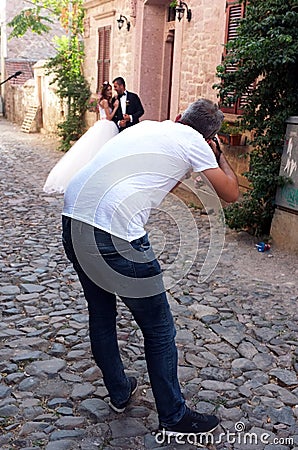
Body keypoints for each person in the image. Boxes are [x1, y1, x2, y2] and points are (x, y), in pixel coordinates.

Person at [61, 99, 239, 437]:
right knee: (159, 329)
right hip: (114, 231)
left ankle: (119, 391)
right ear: (207, 137)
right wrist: (217, 155)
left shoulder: (148, 127)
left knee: (101, 314)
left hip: (73, 216)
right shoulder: (194, 143)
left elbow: (159, 185)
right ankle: (173, 417)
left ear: (177, 117)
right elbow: (230, 192)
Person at [43, 82, 119, 194]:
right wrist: (116, 108)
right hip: (107, 125)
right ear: (104, 91)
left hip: (101, 125)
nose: (110, 91)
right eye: (108, 90)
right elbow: (108, 117)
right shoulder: (105, 102)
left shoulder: (102, 101)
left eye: (111, 89)